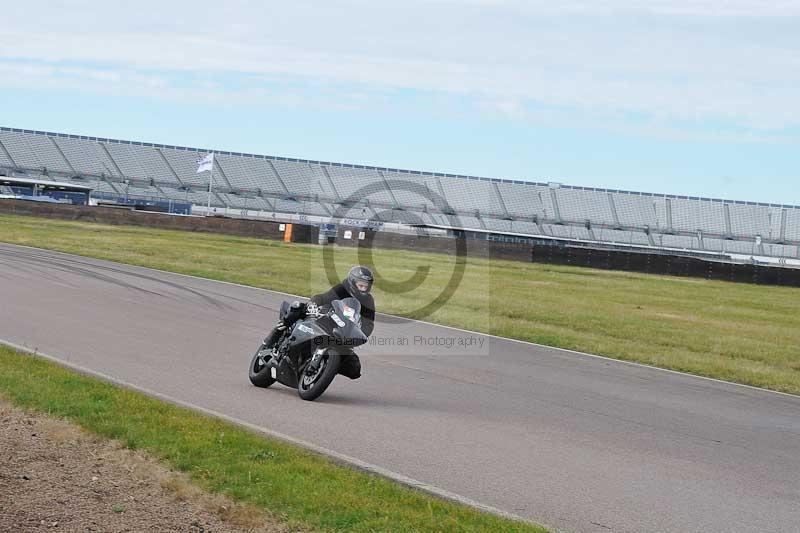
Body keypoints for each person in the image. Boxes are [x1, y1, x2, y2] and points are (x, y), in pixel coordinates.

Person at [274, 266, 375, 379]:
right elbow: (323, 297)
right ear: (352, 282)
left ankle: (326, 367)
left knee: (354, 369)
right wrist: (313, 304)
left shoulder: (368, 301)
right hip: (325, 318)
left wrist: (361, 335)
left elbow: (369, 323)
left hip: (343, 332)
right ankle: (281, 329)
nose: (363, 289)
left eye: (366, 286)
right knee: (298, 307)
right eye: (361, 285)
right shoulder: (342, 289)